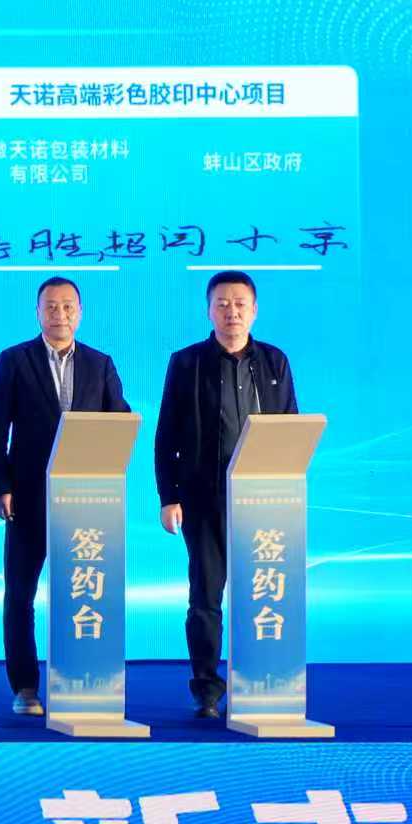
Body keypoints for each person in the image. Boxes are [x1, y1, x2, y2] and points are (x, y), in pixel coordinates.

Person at [154, 270, 299, 719]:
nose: (231, 312)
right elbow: (166, 434)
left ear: (254, 310)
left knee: (263, 594)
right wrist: (168, 496)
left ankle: (262, 680)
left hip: (263, 500)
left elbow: (290, 427)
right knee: (205, 596)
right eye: (222, 304)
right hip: (204, 498)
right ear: (209, 310)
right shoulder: (187, 363)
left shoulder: (274, 361)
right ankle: (207, 691)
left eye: (239, 304)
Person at [0, 276, 130, 716]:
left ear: (80, 313)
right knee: (20, 594)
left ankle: (81, 680)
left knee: (81, 593)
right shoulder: (14, 360)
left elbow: (119, 423)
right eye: (50, 306)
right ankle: (25, 687)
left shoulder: (100, 364)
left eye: (67, 306)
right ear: (38, 312)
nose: (59, 314)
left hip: (85, 499)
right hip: (27, 496)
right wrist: (1, 486)